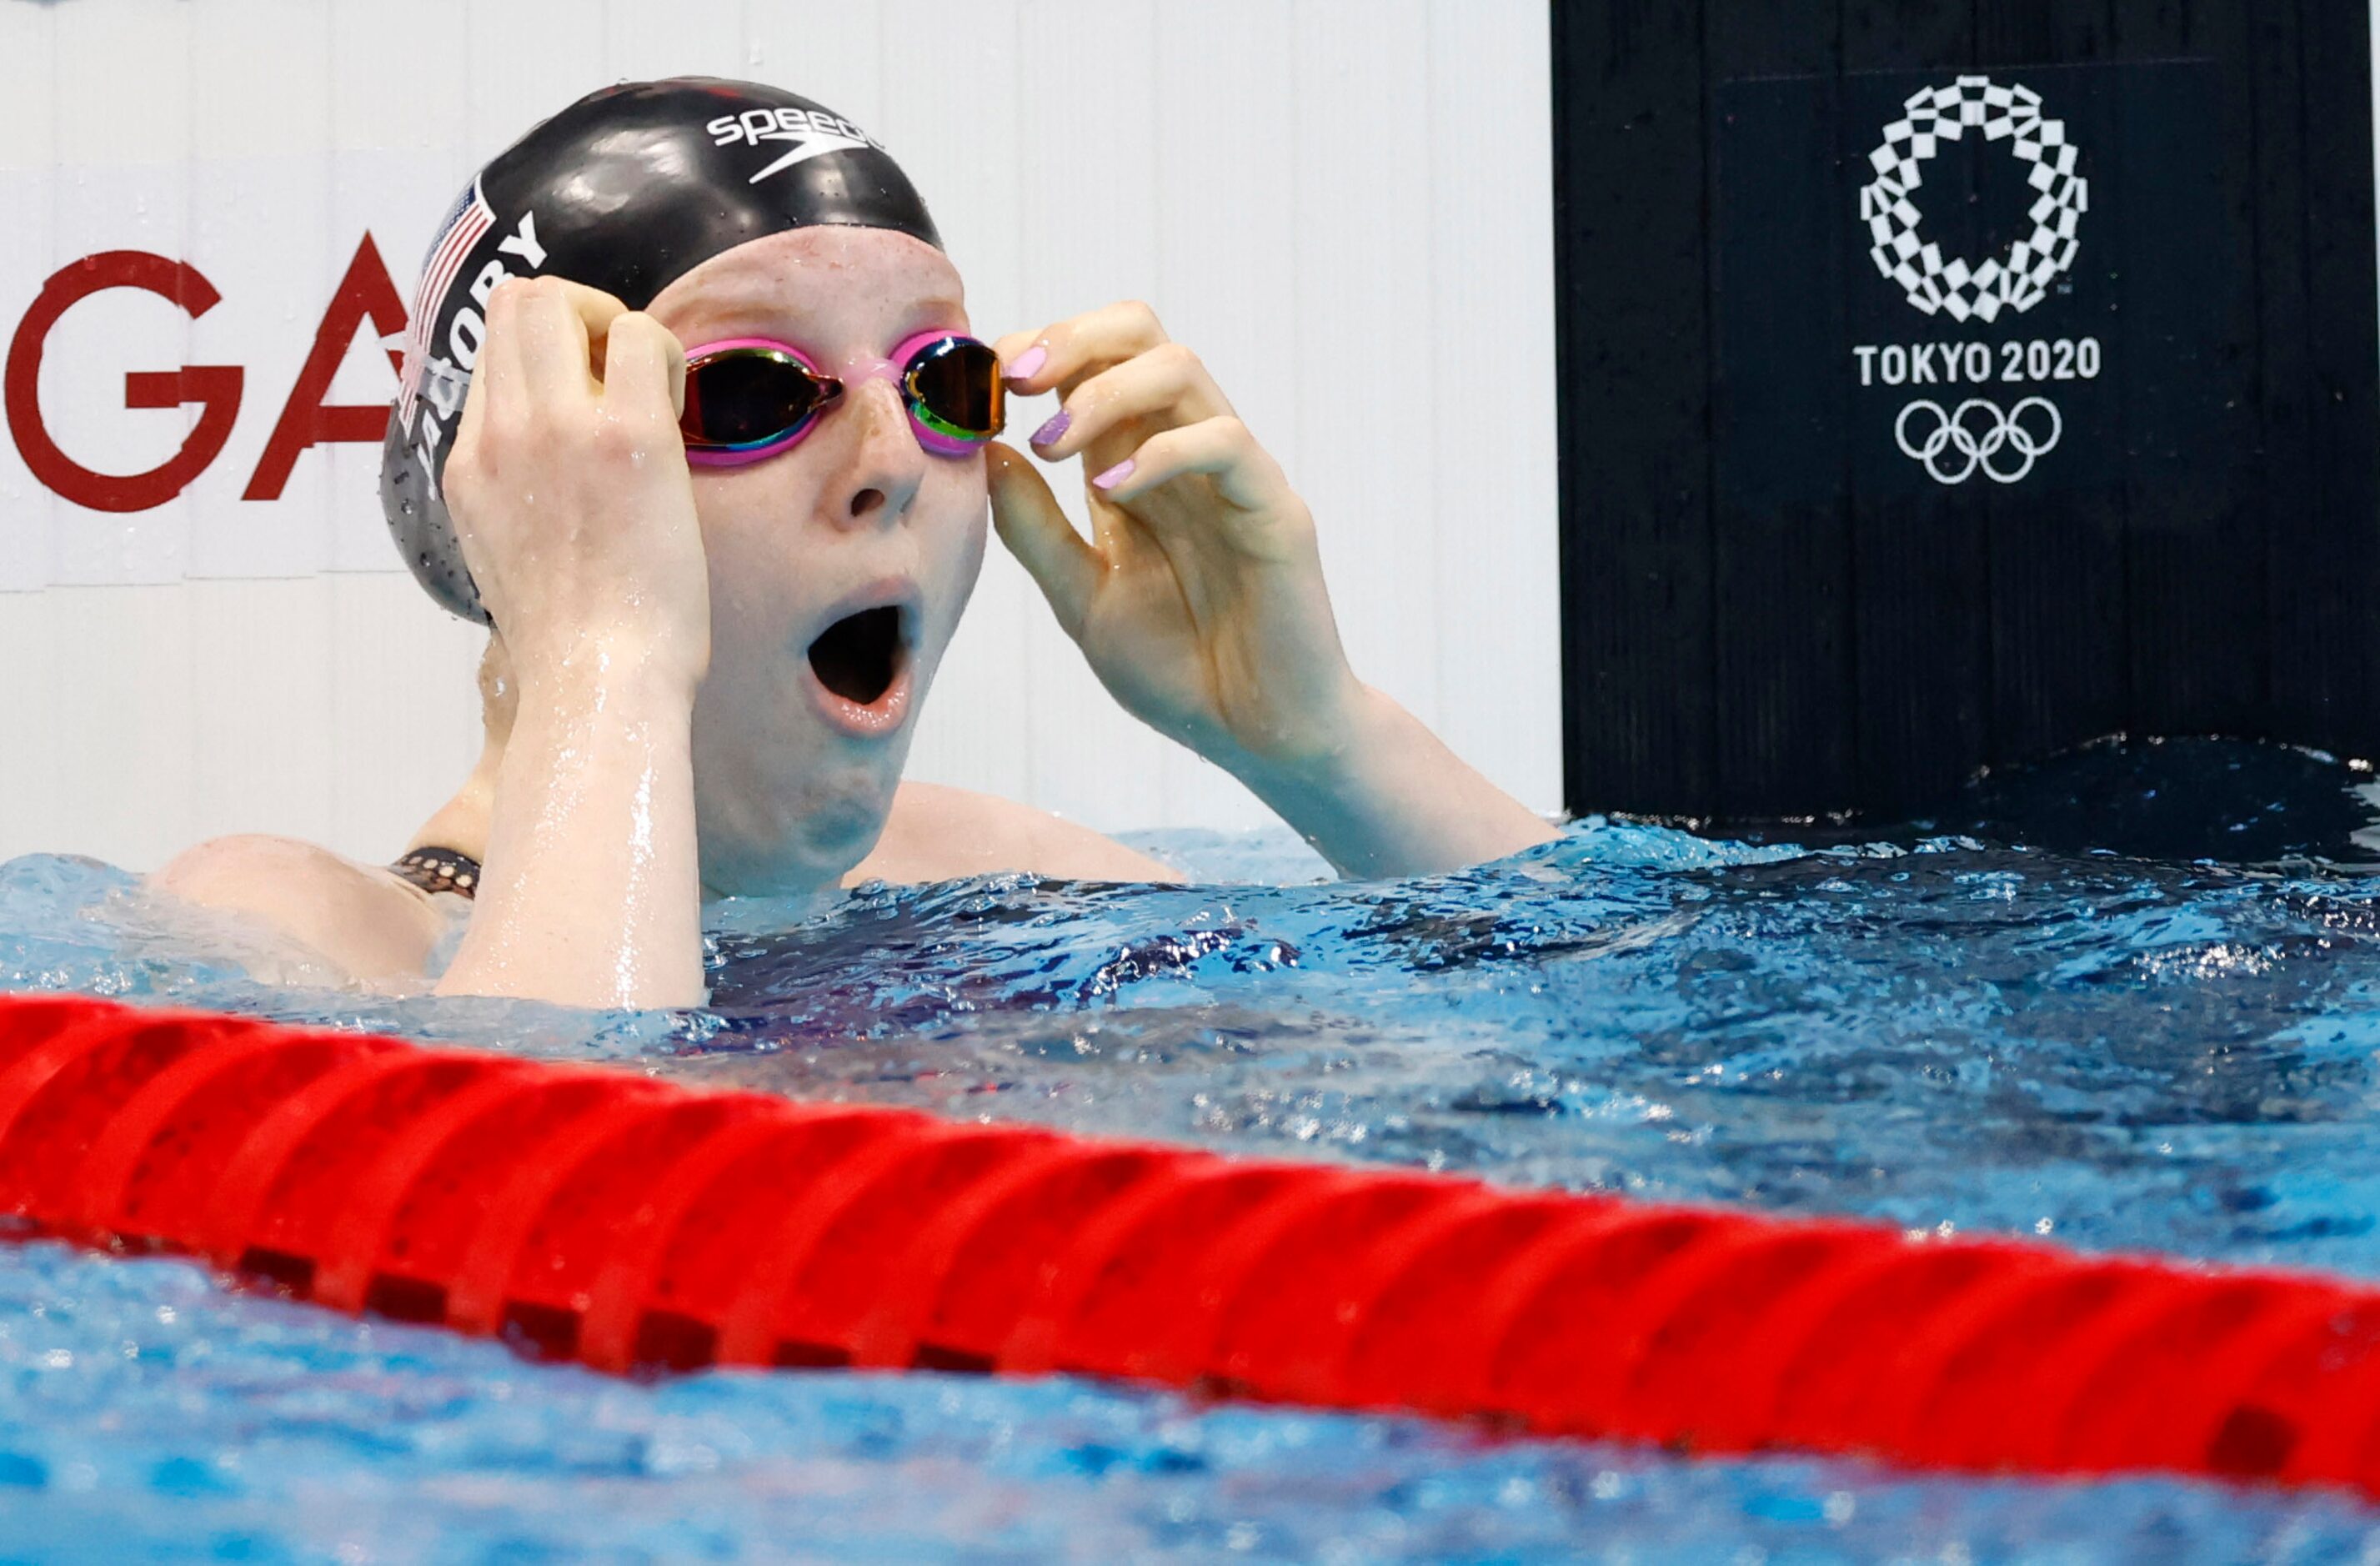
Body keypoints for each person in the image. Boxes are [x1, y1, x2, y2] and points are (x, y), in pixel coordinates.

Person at [154, 78, 1556, 1011]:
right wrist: (606, 666)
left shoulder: (1020, 881)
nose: (892, 463)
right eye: (755, 393)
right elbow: (538, 1255)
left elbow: (1586, 1032)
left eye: (942, 379)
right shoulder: (290, 939)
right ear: (529, 486)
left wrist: (1319, 745)